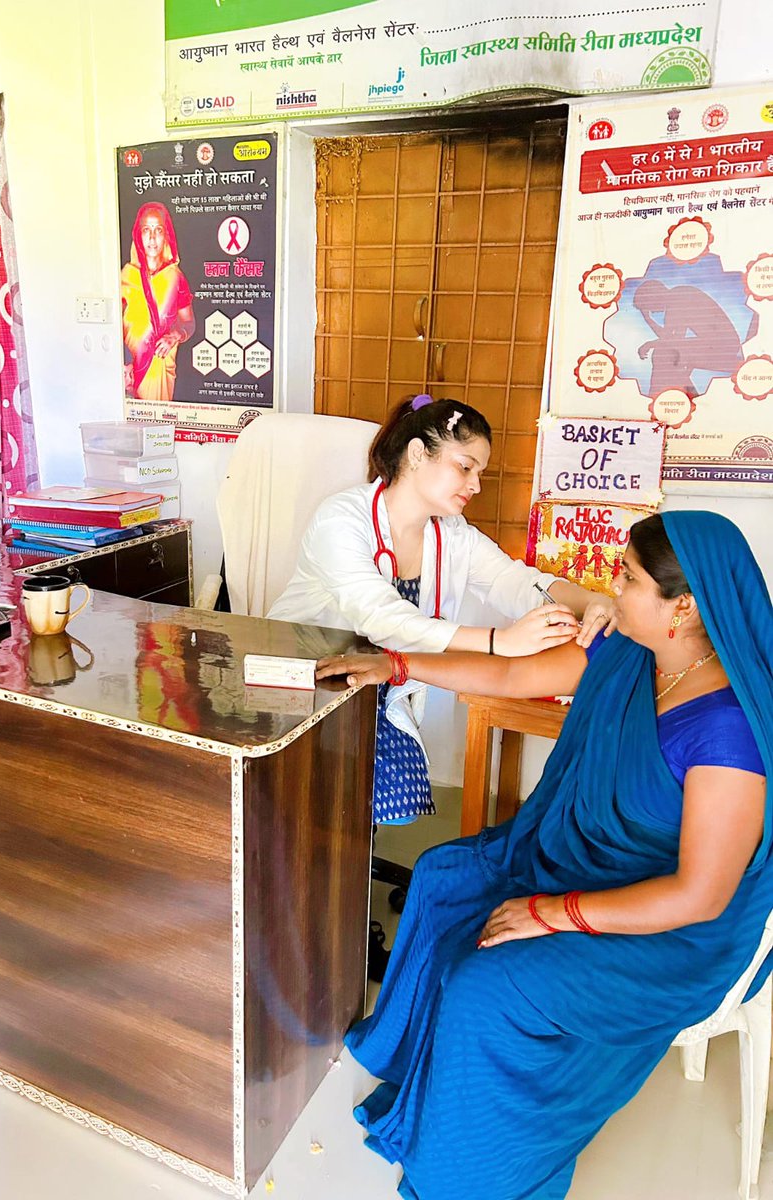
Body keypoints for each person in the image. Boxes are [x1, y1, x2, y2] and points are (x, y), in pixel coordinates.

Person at [315, 511, 772, 1200]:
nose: (610, 590)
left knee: (488, 988)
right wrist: (397, 666)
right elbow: (512, 676)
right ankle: (421, 1070)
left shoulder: (727, 734)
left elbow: (698, 897)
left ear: (684, 606)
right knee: (443, 876)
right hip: (589, 861)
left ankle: (467, 1178)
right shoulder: (632, 651)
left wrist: (551, 912)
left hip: (673, 930)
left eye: (628, 578)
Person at [268, 394, 612, 831]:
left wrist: (591, 601)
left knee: (388, 806)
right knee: (317, 806)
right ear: (416, 453)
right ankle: (326, 876)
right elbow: (381, 617)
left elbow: (514, 580)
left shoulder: (450, 534)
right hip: (307, 681)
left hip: (376, 681)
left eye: (480, 472)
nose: (475, 485)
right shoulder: (341, 519)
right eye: (465, 466)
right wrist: (498, 641)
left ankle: (341, 873)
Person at [121, 202, 195, 403]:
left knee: (157, 429)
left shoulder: (175, 278)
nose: (152, 238)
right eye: (146, 230)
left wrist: (174, 336)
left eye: (158, 230)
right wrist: (122, 362)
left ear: (166, 236)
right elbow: (112, 326)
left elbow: (189, 322)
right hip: (129, 370)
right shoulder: (126, 276)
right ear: (138, 235)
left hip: (160, 368)